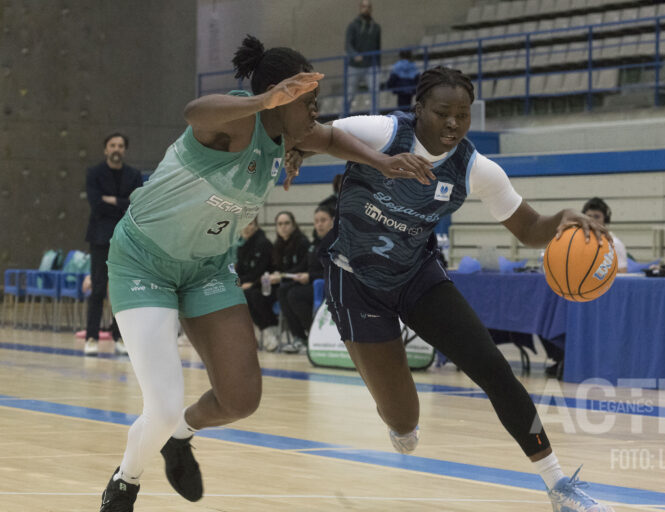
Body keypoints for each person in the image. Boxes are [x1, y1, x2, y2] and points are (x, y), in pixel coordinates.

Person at [98, 35, 434, 512]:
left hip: (207, 268)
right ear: (280, 96)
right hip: (144, 261)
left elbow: (331, 138)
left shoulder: (288, 136)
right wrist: (263, 100)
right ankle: (125, 482)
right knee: (164, 403)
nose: (316, 110)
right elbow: (194, 111)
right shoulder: (238, 119)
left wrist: (384, 162)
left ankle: (180, 435)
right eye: (308, 100)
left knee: (240, 399)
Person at [304, 66, 614, 511]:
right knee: (404, 421)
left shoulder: (475, 168)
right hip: (355, 281)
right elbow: (314, 135)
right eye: (442, 112)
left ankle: (559, 485)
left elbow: (529, 227)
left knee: (493, 368)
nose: (453, 122)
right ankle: (399, 421)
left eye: (463, 115)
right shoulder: (382, 132)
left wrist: (560, 219)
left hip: (415, 274)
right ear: (419, 109)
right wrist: (296, 151)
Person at [84, 132, 144, 356]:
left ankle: (120, 336)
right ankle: (91, 337)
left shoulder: (134, 175)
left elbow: (136, 205)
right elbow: (96, 205)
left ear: (124, 150)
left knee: (123, 289)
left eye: (120, 145)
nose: (116, 149)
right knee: (98, 288)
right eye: (112, 145)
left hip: (126, 238)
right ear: (106, 149)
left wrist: (112, 200)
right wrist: (121, 203)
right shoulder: (94, 173)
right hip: (100, 238)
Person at [276, 205, 335, 352]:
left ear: (333, 221)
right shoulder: (314, 244)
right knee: (283, 290)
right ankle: (299, 337)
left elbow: (333, 271)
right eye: (316, 221)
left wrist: (310, 276)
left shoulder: (336, 243)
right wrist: (286, 276)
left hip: (329, 285)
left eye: (323, 220)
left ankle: (313, 333)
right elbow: (304, 266)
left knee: (295, 295)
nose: (319, 224)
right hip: (313, 283)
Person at [267, 211, 310, 352]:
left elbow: (303, 266)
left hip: (303, 282)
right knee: (261, 294)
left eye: (286, 223)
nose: (283, 227)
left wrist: (282, 276)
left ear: (293, 225)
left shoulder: (302, 242)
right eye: (280, 224)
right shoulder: (278, 245)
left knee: (285, 292)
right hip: (286, 283)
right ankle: (274, 333)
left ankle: (301, 336)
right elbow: (277, 267)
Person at [235, 216, 278, 337]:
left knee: (252, 294)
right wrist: (237, 283)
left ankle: (270, 329)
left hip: (267, 284)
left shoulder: (263, 244)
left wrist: (249, 283)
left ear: (256, 226)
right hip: (250, 284)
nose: (246, 227)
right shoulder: (242, 245)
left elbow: (260, 271)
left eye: (250, 224)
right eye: (243, 224)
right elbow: (239, 271)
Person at [345, 0, 381, 107]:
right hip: (354, 66)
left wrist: (378, 65)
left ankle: (375, 115)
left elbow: (378, 47)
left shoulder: (376, 28)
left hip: (371, 66)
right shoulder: (352, 26)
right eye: (364, 6)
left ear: (371, 9)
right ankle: (344, 114)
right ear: (360, 8)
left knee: (375, 93)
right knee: (350, 93)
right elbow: (348, 44)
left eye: (369, 7)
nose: (366, 9)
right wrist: (354, 55)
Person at [582, 197, 627, 273]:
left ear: (605, 219)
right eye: (588, 216)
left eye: (596, 217)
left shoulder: (615, 243)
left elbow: (622, 272)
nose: (591, 220)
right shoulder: (577, 241)